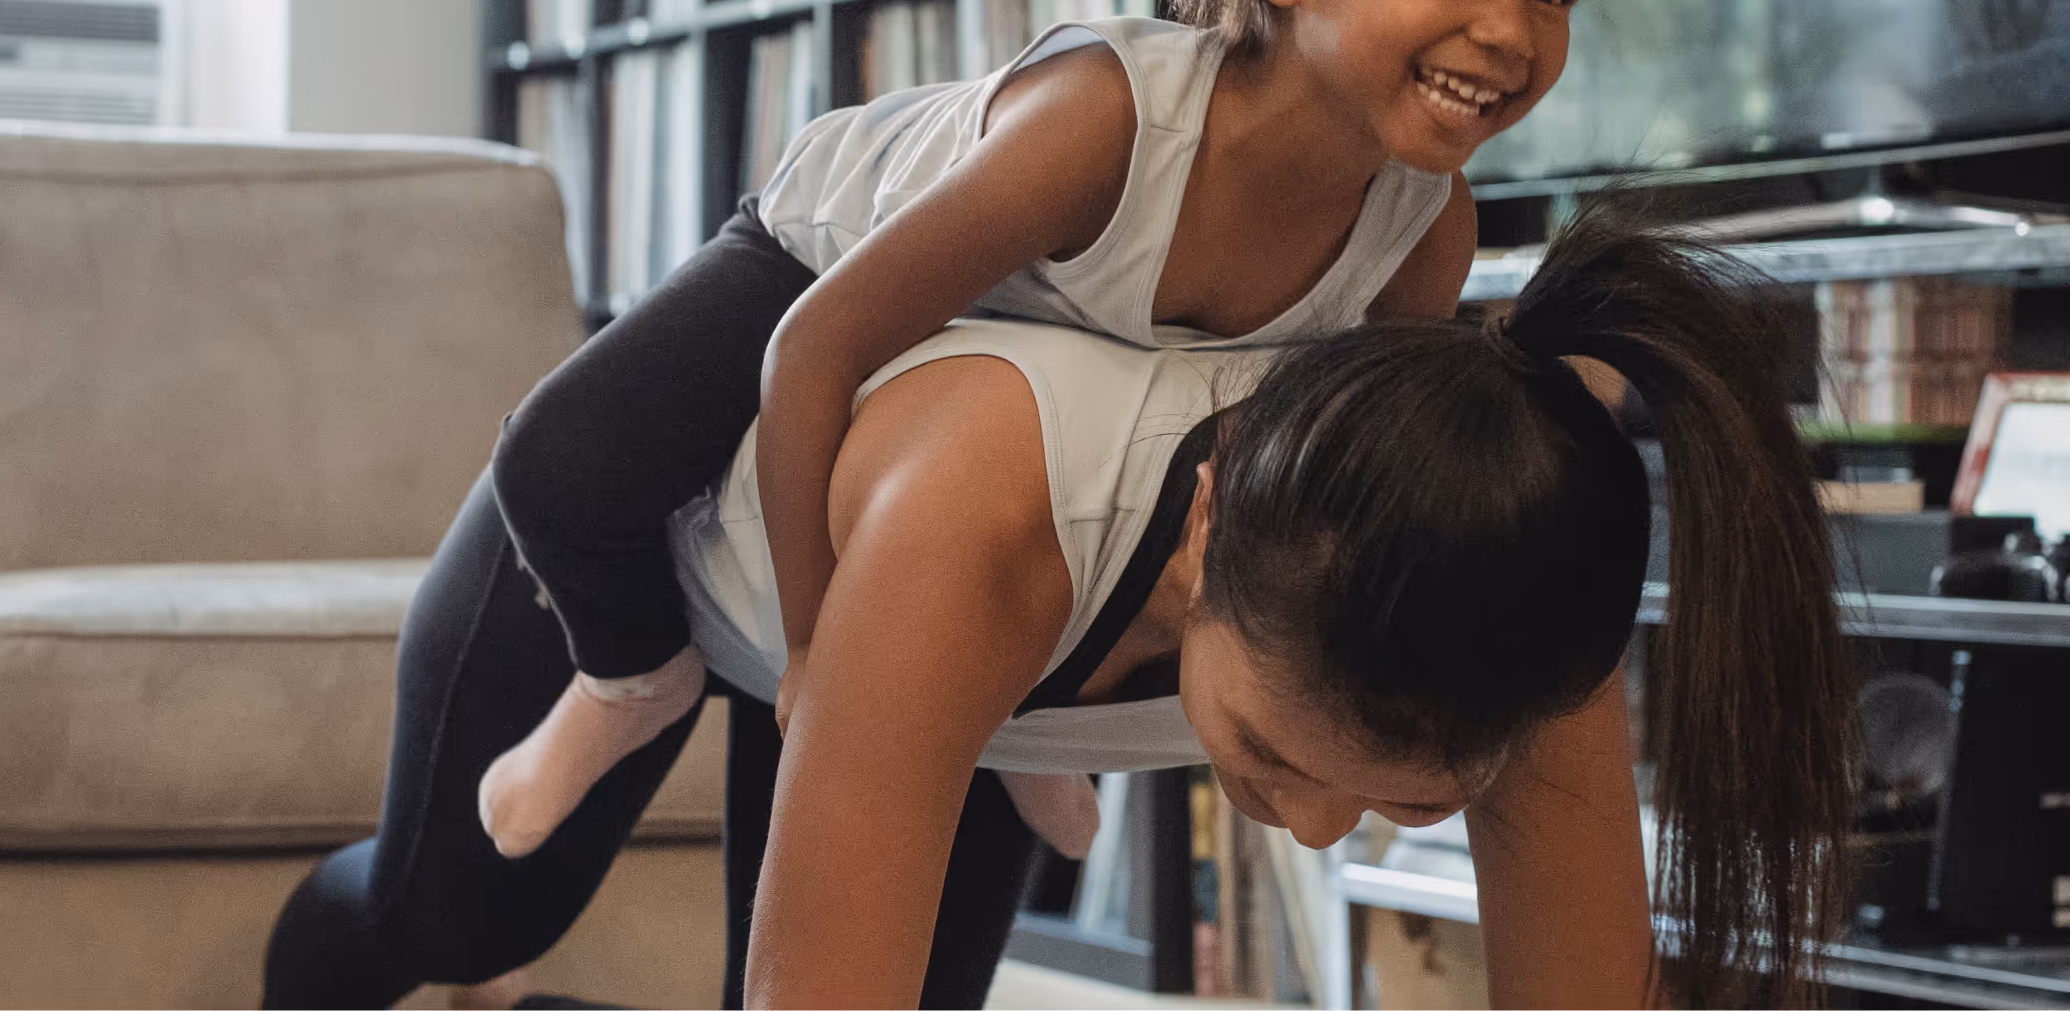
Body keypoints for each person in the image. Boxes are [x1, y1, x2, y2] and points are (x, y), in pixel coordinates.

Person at [263, 207, 1853, 1009]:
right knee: (457, 919)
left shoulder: (1510, 570)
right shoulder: (991, 527)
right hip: (657, 560)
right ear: (1208, 521)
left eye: (1406, 801)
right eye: (1275, 755)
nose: (1321, 832)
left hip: (924, 670)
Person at [477, 0, 1597, 861]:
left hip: (1072, 376)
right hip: (818, 253)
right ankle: (630, 678)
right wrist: (814, 651)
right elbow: (811, 350)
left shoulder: (1423, 228)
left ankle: (1024, 740)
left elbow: (1340, 483)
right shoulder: (1102, 126)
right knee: (553, 463)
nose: (1511, 30)